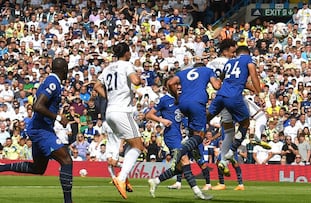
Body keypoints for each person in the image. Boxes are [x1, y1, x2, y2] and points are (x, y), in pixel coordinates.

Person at [0, 58, 73, 203]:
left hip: (40, 128)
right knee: (66, 160)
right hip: (41, 130)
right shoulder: (52, 83)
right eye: (67, 69)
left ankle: (1, 168)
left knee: (38, 168)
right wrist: (57, 117)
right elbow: (38, 106)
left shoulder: (52, 82)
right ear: (63, 69)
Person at [147, 69, 218, 200]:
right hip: (171, 136)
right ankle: (198, 193)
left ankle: (156, 181)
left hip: (182, 135)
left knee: (179, 168)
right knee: (185, 161)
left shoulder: (183, 99)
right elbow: (149, 114)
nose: (179, 86)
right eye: (175, 85)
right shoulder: (164, 100)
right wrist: (162, 120)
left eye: (179, 84)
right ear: (168, 86)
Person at [93, 42, 144, 200]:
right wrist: (140, 79)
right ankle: (121, 178)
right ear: (127, 53)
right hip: (123, 111)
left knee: (130, 143)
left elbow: (96, 86)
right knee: (138, 145)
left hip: (110, 112)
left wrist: (109, 96)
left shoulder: (108, 68)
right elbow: (135, 81)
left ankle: (124, 175)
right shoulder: (127, 65)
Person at [207, 45, 262, 176]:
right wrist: (259, 93)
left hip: (220, 96)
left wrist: (250, 88)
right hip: (234, 97)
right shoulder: (248, 60)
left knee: (206, 117)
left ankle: (192, 135)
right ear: (247, 54)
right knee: (245, 124)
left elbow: (224, 81)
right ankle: (231, 152)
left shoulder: (229, 62)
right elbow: (253, 75)